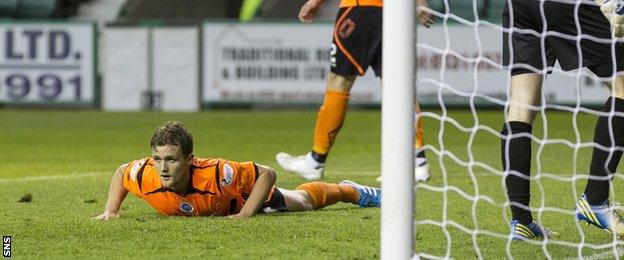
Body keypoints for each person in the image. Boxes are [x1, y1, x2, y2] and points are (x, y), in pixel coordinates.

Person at [502, 0, 624, 240]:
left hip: (520, 6)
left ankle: (521, 220)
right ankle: (596, 200)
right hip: (564, 4)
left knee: (521, 103)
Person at [275, 0, 435, 182]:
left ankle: (315, 161)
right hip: (395, 13)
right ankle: (418, 162)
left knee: (339, 81)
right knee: (398, 86)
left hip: (359, 10)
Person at [92, 121, 381, 219]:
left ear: (190, 159)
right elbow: (121, 172)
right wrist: (112, 210)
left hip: (248, 198)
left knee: (304, 203)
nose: (163, 168)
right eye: (158, 158)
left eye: (172, 159)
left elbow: (267, 173)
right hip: (223, 207)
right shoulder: (145, 174)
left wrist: (245, 214)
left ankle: (351, 190)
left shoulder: (218, 173)